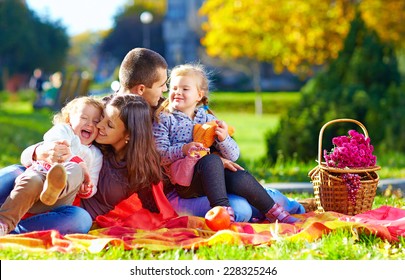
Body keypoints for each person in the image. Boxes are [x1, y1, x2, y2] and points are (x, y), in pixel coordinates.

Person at [153, 63, 299, 224]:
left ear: (199, 95)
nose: (177, 92)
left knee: (238, 174)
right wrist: (184, 149)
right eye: (174, 88)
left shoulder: (208, 119)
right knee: (212, 160)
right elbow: (160, 154)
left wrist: (224, 139)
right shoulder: (164, 119)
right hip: (186, 183)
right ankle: (222, 212)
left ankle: (275, 212)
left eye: (185, 89)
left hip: (213, 179)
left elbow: (234, 155)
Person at [0, 96, 104, 235]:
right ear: (68, 120)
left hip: (59, 199)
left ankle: (55, 188)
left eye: (96, 122)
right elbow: (53, 143)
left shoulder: (96, 154)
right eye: (84, 118)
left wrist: (87, 189)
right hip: (38, 178)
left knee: (76, 171)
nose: (90, 124)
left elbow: (93, 181)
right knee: (29, 178)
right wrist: (77, 161)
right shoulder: (63, 132)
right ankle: (4, 224)